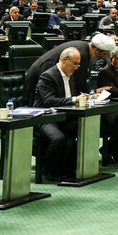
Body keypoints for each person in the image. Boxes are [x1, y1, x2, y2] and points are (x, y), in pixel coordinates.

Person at [33, 47, 86, 180]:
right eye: (75, 63)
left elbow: (70, 97)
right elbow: (50, 101)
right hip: (44, 118)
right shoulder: (48, 76)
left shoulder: (70, 75)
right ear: (64, 59)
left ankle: (69, 168)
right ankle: (49, 171)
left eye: (78, 64)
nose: (76, 68)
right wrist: (74, 99)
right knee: (58, 139)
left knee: (85, 129)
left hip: (63, 116)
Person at [24, 33, 115, 105]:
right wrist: (92, 94)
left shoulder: (84, 48)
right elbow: (79, 82)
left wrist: (92, 93)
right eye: (103, 54)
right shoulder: (81, 54)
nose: (102, 58)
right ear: (96, 50)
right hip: (39, 75)